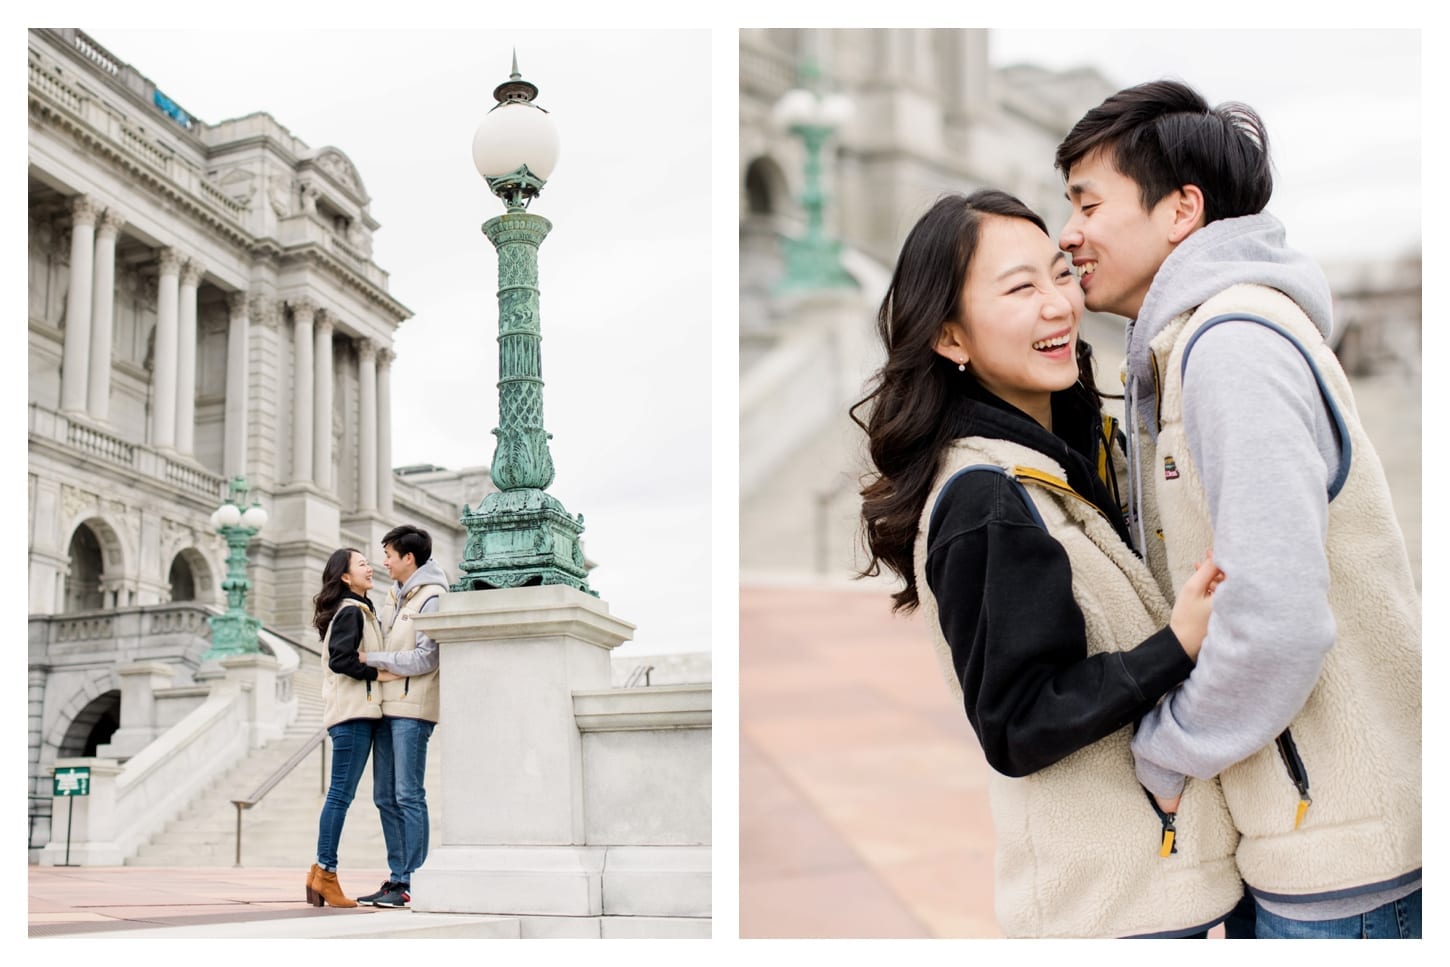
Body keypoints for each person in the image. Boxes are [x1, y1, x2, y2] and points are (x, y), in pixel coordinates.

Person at [1055, 79, 1421, 939]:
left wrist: (1168, 746)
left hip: (1344, 860)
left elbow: (1279, 617)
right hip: (1306, 839)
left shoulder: (1232, 346)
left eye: (1087, 202)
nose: (1068, 233)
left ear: (1182, 209)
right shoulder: (1197, 344)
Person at [852, 189, 1242, 938]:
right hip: (1106, 910)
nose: (1058, 304)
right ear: (949, 337)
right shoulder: (984, 496)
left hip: (1148, 890)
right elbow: (1016, 722)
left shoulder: (1056, 461)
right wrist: (1176, 646)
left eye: (1060, 273)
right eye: (1019, 288)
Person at [353, 525, 449, 909]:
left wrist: (372, 661)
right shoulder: (395, 596)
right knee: (383, 796)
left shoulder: (433, 597)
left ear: (409, 558)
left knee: (409, 794)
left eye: (389, 554)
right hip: (386, 706)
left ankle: (414, 878)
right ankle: (397, 879)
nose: (384, 561)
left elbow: (426, 658)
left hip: (413, 709)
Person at [306, 547, 401, 907]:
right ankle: (326, 873)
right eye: (362, 564)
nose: (370, 568)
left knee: (339, 796)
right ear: (345, 576)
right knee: (339, 796)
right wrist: (377, 672)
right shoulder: (351, 612)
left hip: (357, 714)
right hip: (353, 715)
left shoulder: (359, 610)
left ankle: (318, 874)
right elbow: (341, 660)